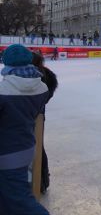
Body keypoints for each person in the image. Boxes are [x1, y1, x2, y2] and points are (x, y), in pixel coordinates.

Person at [0, 44, 50, 215]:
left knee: (19, 201)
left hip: (8, 152)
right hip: (27, 147)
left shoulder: (4, 90)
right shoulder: (41, 88)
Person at [31, 51, 58, 194]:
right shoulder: (47, 75)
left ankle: (40, 180)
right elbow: (48, 96)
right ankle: (42, 181)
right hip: (40, 115)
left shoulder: (38, 75)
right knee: (39, 146)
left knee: (36, 147)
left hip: (35, 116)